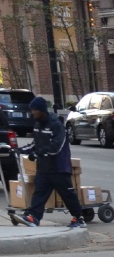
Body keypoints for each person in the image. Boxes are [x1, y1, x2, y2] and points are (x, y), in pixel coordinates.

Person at [21, 97, 84, 228]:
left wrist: (38, 153)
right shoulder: (38, 125)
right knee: (39, 193)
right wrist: (20, 150)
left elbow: (56, 147)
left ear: (42, 110)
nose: (33, 113)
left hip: (59, 168)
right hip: (44, 168)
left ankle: (79, 218)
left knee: (67, 194)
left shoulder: (56, 125)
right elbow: (35, 144)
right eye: (32, 110)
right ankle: (34, 217)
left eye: (35, 110)